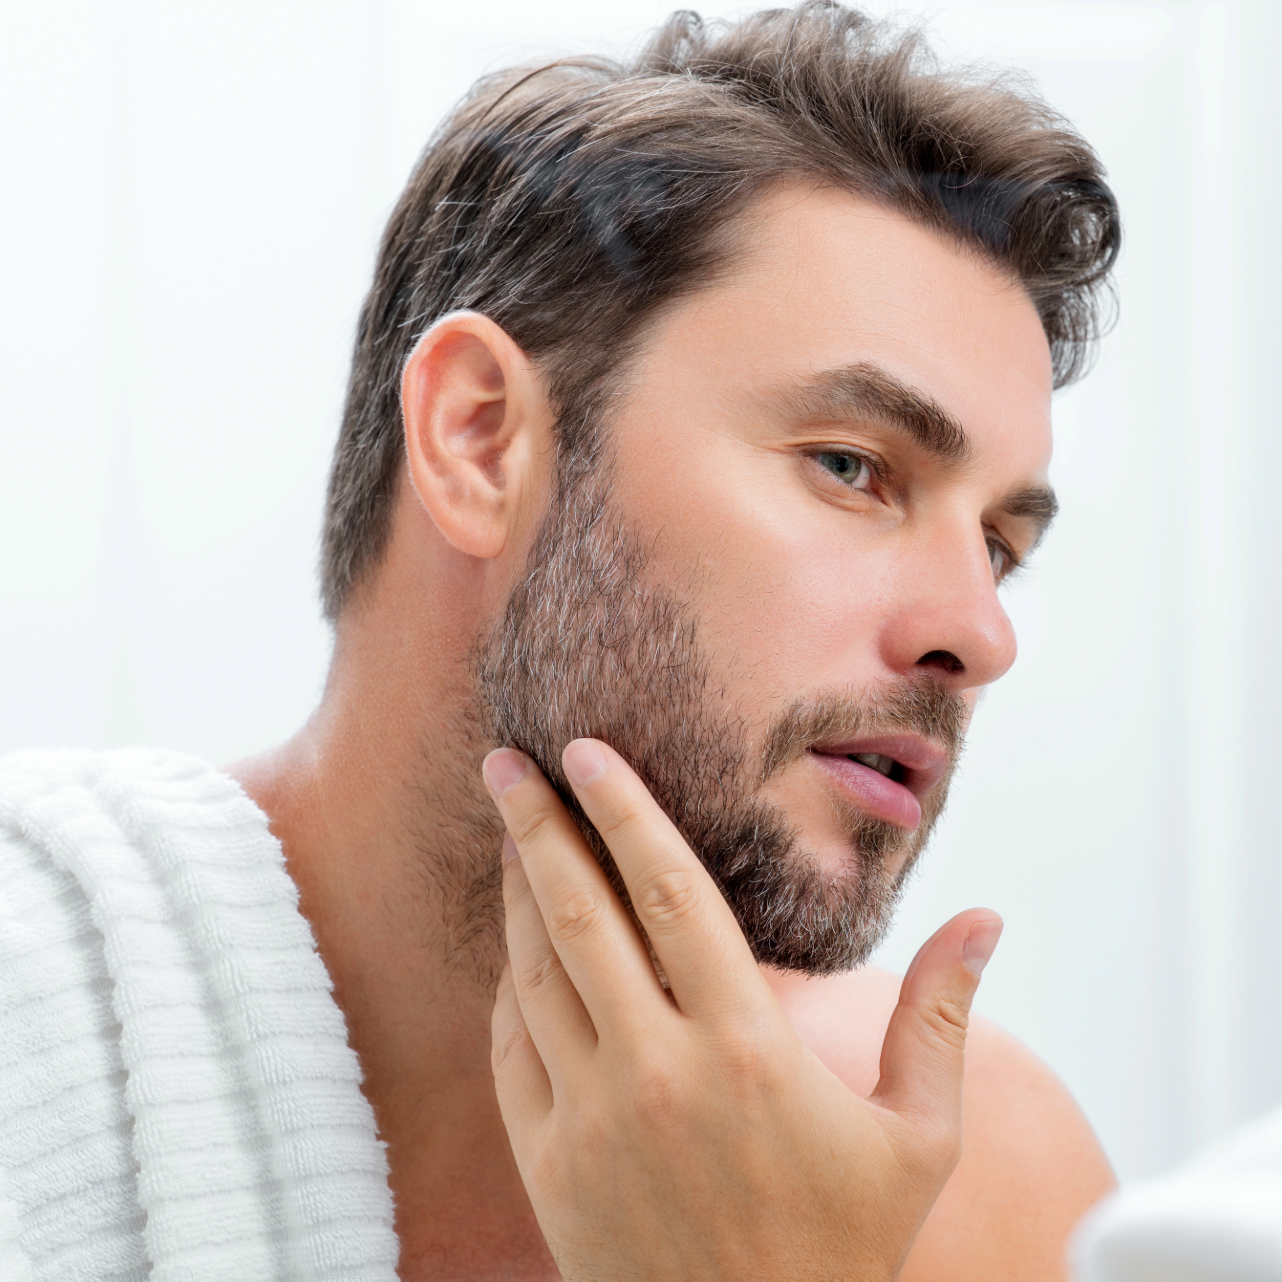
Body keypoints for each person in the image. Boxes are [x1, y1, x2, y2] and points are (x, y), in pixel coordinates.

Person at [0, 4, 1122, 1279]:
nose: (978, 633)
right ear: (481, 441)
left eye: (999, 545)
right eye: (852, 466)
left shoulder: (973, 1189)